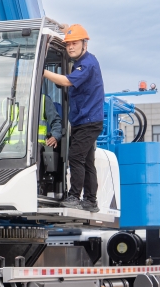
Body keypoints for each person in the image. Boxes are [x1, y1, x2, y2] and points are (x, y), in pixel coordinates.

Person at [43, 24, 104, 212]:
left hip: (88, 122)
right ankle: (91, 201)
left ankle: (74, 197)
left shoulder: (87, 64)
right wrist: (66, 29)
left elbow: (66, 81)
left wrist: (41, 71)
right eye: (68, 44)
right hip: (82, 121)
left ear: (85, 44)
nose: (70, 47)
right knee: (87, 161)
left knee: (76, 157)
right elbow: (74, 34)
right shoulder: (82, 61)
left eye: (74, 43)